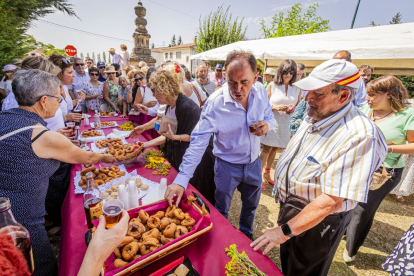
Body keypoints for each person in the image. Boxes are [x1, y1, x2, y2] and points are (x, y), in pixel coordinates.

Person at [251, 59, 388, 276]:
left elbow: (331, 201)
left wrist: (284, 231)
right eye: (308, 92)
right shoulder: (320, 111)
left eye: (318, 94)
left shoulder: (360, 135)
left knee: (305, 271)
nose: (307, 98)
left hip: (318, 224)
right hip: (294, 211)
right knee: (290, 265)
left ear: (343, 96)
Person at [0, 69, 115, 276]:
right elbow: (86, 157)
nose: (60, 101)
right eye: (58, 97)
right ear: (43, 100)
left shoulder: (6, 117)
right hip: (20, 219)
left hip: (8, 209)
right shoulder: (40, 135)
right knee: (41, 267)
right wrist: (105, 157)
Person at [164, 50, 274, 239]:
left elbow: (269, 116)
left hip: (254, 163)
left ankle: (246, 235)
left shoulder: (261, 91)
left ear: (256, 77)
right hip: (226, 166)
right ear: (224, 77)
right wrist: (182, 179)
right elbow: (198, 142)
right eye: (232, 82)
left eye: (244, 82)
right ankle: (220, 239)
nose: (237, 89)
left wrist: (267, 125)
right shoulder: (215, 103)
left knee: (250, 206)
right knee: (221, 208)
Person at [344, 75, 414, 263]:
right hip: (357, 165)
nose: (367, 98)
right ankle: (343, 231)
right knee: (346, 201)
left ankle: (351, 248)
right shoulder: (366, 109)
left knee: (362, 210)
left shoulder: (408, 114)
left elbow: (413, 145)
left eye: (372, 95)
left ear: (389, 94)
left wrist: (385, 147)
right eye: (367, 94)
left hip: (383, 172)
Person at [130, 70, 216, 205]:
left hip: (200, 162)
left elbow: (195, 138)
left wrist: (175, 137)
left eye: (154, 90)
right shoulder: (169, 106)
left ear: (164, 89)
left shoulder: (187, 107)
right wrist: (143, 143)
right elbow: (165, 132)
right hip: (182, 156)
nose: (152, 94)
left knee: (199, 196)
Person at [260, 59, 301, 190]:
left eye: (291, 72)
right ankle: (257, 176)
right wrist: (276, 107)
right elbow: (263, 105)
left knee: (275, 149)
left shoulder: (297, 88)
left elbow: (299, 105)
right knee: (266, 149)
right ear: (280, 72)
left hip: (286, 123)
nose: (288, 75)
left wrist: (293, 108)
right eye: (285, 72)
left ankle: (267, 174)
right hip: (273, 121)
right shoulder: (272, 85)